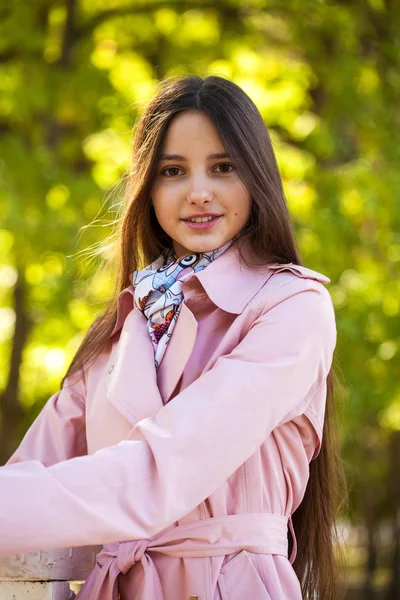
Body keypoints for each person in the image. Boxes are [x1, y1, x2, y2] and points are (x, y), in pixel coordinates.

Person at [0, 75, 347, 600]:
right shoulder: (121, 330)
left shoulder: (292, 308)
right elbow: (30, 474)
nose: (198, 192)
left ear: (257, 177)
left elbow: (164, 470)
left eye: (223, 167)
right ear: (148, 188)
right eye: (173, 171)